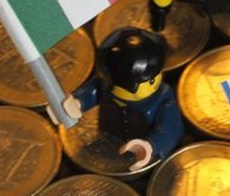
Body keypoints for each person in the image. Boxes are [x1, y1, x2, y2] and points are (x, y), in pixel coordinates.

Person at [48, 27, 184, 171]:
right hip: (108, 134)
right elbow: (93, 90)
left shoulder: (162, 99)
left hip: (140, 139)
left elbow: (170, 128)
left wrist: (150, 145)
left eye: (152, 79)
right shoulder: (107, 86)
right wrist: (76, 103)